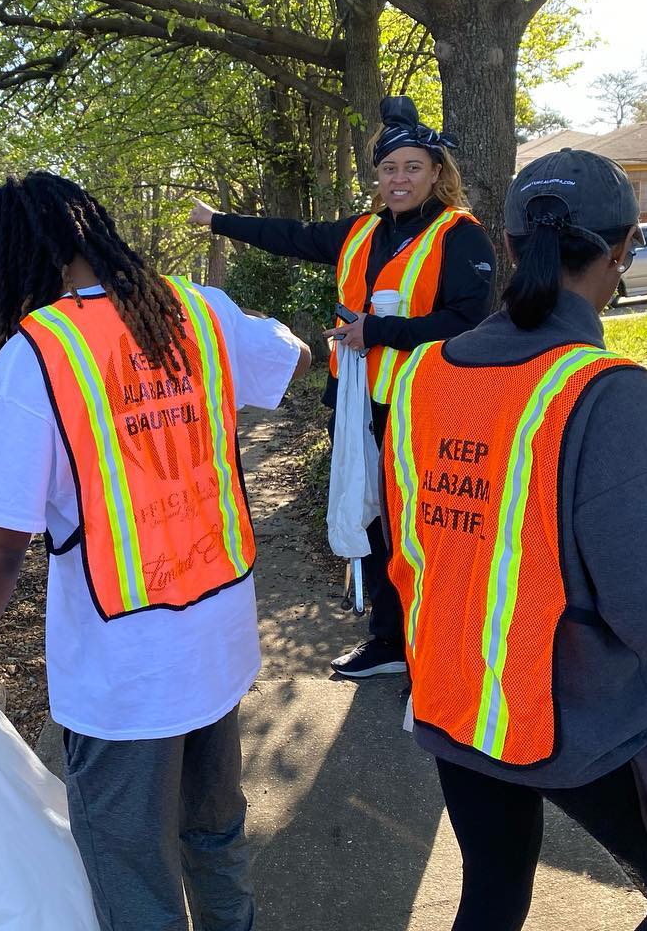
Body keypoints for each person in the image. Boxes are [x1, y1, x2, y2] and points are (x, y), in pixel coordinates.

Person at [0, 172, 310, 931]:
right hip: (219, 644)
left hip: (126, 681)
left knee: (131, 871)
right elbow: (291, 357)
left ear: (24, 259)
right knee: (215, 833)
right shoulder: (197, 309)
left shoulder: (39, 356)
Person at [381, 148, 647, 931]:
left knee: (492, 892)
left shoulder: (420, 377)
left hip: (456, 700)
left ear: (512, 244)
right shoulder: (605, 389)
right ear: (622, 253)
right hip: (569, 723)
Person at [188, 96, 497, 678]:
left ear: (436, 173)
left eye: (411, 167)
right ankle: (388, 641)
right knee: (373, 516)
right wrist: (218, 221)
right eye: (388, 169)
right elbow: (292, 235)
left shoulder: (461, 236)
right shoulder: (361, 231)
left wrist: (377, 329)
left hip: (428, 404)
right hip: (358, 405)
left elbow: (467, 322)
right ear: (376, 179)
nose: (399, 179)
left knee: (427, 524)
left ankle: (440, 652)